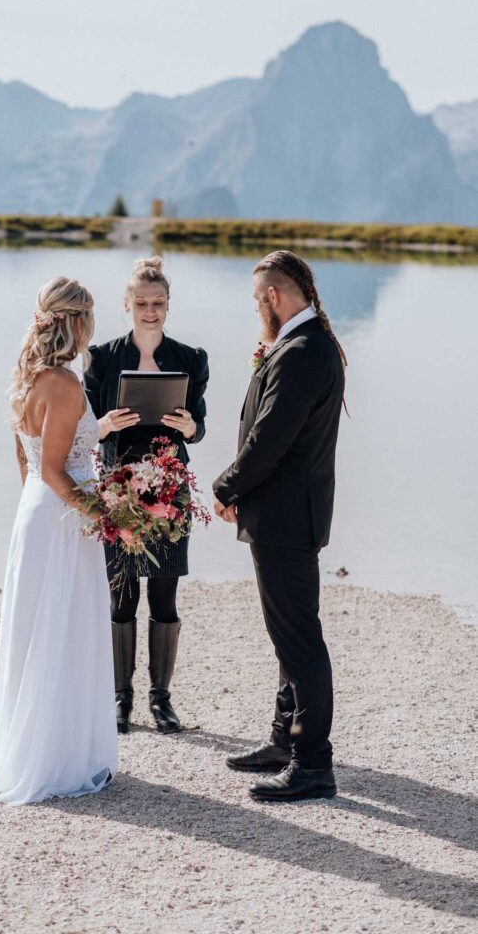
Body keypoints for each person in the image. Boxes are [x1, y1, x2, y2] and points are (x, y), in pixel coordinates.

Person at [0, 277, 118, 804]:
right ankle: (60, 760)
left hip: (35, 513)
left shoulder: (27, 378)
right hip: (62, 517)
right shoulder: (65, 384)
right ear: (77, 323)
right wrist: (105, 515)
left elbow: (29, 462)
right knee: (64, 631)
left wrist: (38, 513)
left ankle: (32, 747)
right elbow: (60, 471)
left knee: (39, 630)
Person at [213, 250, 346, 802]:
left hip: (287, 517)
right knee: (286, 636)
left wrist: (226, 486)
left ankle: (313, 764)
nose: (255, 311)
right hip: (288, 513)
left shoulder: (302, 352)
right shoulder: (301, 345)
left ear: (274, 297)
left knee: (300, 642)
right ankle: (284, 740)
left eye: (256, 301)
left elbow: (270, 439)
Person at [84, 256, 209, 735]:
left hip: (171, 484)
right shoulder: (102, 358)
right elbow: (85, 431)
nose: (150, 311)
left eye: (157, 303)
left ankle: (161, 700)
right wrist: (105, 425)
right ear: (127, 305)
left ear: (168, 304)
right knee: (121, 595)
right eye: (141, 303)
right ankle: (121, 698)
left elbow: (198, 425)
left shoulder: (191, 359)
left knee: (165, 593)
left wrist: (191, 426)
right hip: (118, 487)